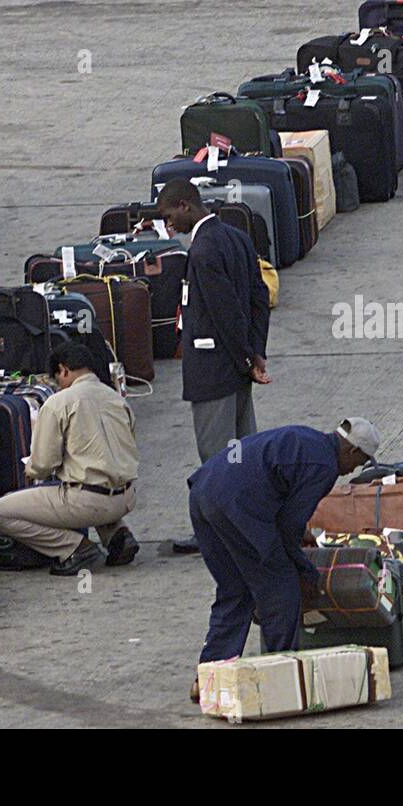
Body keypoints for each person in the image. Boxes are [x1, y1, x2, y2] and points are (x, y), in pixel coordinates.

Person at [186, 418, 380, 702]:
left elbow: (276, 491)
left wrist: (300, 533)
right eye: (360, 461)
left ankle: (208, 680)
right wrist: (306, 571)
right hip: (238, 507)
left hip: (204, 492)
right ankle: (278, 678)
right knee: (282, 588)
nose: (353, 470)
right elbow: (287, 528)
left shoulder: (307, 438)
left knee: (235, 590)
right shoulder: (325, 466)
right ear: (352, 451)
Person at [157, 179, 271, 553]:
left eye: (169, 215)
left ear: (185, 206)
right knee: (242, 454)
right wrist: (256, 353)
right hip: (238, 369)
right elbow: (258, 297)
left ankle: (221, 534)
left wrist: (243, 355)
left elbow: (225, 312)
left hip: (214, 370)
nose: (168, 224)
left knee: (217, 458)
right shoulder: (236, 237)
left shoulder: (203, 250)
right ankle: (252, 524)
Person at [0, 341, 140, 575]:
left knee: (0, 511)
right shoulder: (117, 399)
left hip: (87, 503)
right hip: (126, 498)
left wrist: (29, 467)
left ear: (64, 370)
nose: (58, 384)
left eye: (57, 378)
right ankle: (117, 534)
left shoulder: (59, 403)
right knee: (93, 476)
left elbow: (42, 465)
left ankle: (75, 548)